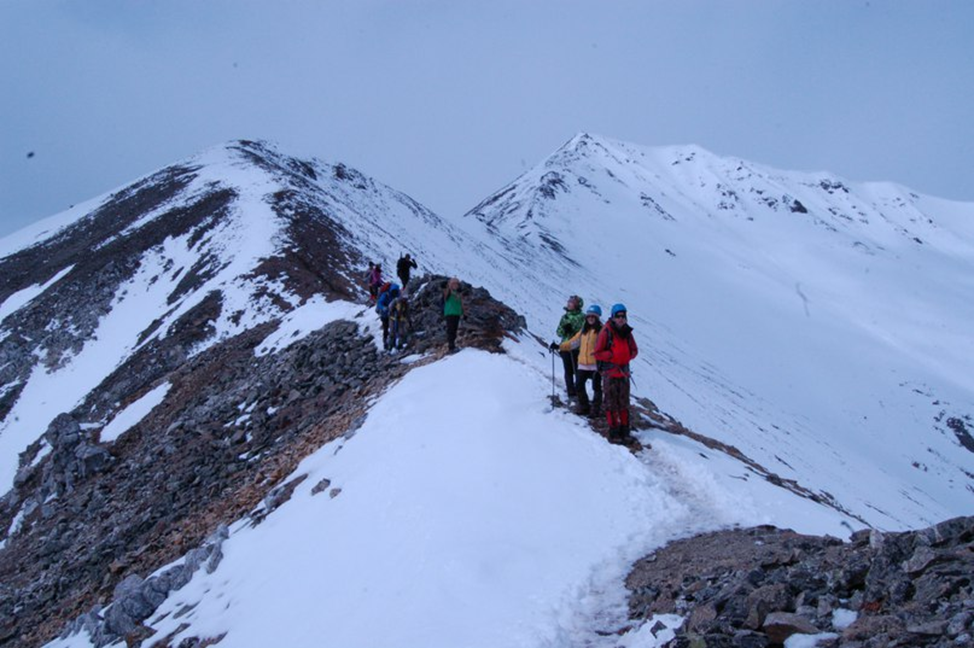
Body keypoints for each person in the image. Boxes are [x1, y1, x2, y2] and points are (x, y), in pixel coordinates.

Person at [593, 303, 639, 441]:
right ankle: (614, 432)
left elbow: (634, 350)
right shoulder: (606, 331)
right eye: (618, 316)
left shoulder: (627, 332)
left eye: (623, 316)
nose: (621, 319)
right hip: (611, 374)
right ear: (613, 317)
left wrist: (624, 358)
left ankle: (624, 431)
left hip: (623, 374)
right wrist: (612, 356)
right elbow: (597, 353)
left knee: (624, 403)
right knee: (611, 403)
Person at [553, 304, 604, 417]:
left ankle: (595, 410)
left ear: (597, 317)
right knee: (579, 385)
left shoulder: (602, 331)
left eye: (593, 316)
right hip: (582, 364)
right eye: (589, 316)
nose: (590, 318)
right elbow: (573, 342)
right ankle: (584, 406)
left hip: (596, 364)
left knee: (596, 387)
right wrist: (559, 346)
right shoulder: (584, 330)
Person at [551, 295, 584, 401]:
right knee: (568, 370)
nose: (569, 303)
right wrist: (564, 330)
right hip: (565, 347)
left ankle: (579, 391)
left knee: (577, 370)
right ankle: (571, 392)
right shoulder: (564, 317)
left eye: (572, 302)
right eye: (569, 301)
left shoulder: (582, 317)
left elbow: (583, 332)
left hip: (577, 347)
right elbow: (559, 332)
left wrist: (573, 331)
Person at [375, 282, 400, 350]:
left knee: (393, 327)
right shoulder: (385, 294)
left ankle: (392, 342)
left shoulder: (396, 293)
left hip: (391, 313)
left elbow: (398, 302)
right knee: (386, 327)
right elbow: (379, 303)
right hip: (385, 313)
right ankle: (386, 342)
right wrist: (383, 308)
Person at [442, 277, 463, 353]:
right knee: (451, 330)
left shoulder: (457, 293)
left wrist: (462, 313)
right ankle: (451, 347)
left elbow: (460, 304)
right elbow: (444, 288)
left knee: (454, 330)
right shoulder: (449, 292)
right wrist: (447, 285)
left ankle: (453, 346)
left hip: (456, 313)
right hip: (450, 313)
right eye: (453, 284)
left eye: (456, 284)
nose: (455, 285)